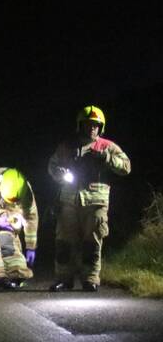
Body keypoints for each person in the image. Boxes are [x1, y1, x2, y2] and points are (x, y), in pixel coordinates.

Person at [47, 105, 131, 292]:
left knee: (92, 243)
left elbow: (126, 167)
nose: (92, 128)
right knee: (64, 243)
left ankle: (90, 279)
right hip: (68, 201)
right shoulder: (67, 146)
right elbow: (52, 165)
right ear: (80, 125)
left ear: (100, 127)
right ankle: (63, 279)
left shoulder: (107, 146)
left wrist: (108, 159)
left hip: (95, 203)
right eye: (88, 124)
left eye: (96, 125)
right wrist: (58, 172)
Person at [0, 168, 38, 289]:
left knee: (7, 239)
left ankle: (17, 274)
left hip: (12, 216)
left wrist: (31, 247)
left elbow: (31, 218)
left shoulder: (24, 190)